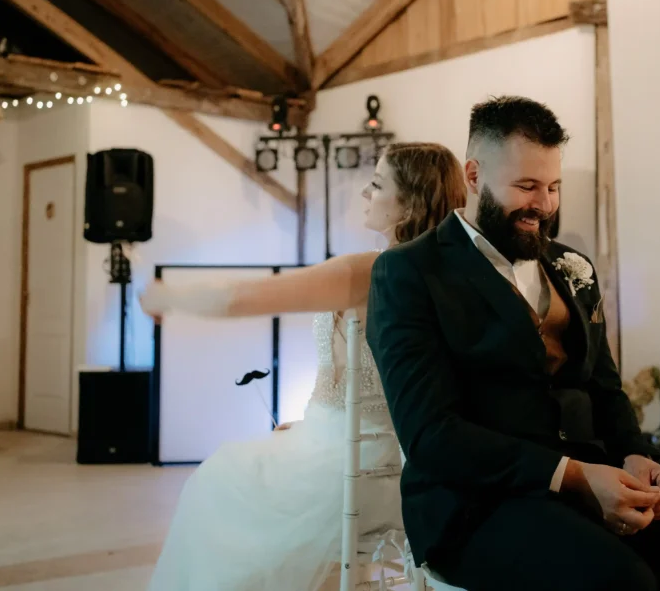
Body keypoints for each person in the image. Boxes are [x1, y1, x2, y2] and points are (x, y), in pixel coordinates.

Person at [365, 96, 660, 591]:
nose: (545, 205)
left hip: (597, 481)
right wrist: (574, 475)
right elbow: (431, 436)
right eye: (526, 186)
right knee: (621, 582)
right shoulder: (410, 272)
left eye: (553, 187)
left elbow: (604, 388)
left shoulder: (572, 267)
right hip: (477, 505)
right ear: (475, 176)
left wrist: (635, 456)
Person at [139, 142, 466, 591]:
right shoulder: (458, 277)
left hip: (355, 471)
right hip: (415, 470)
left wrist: (166, 296)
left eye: (376, 184)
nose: (365, 194)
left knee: (217, 482)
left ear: (409, 204)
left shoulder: (372, 271)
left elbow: (244, 298)